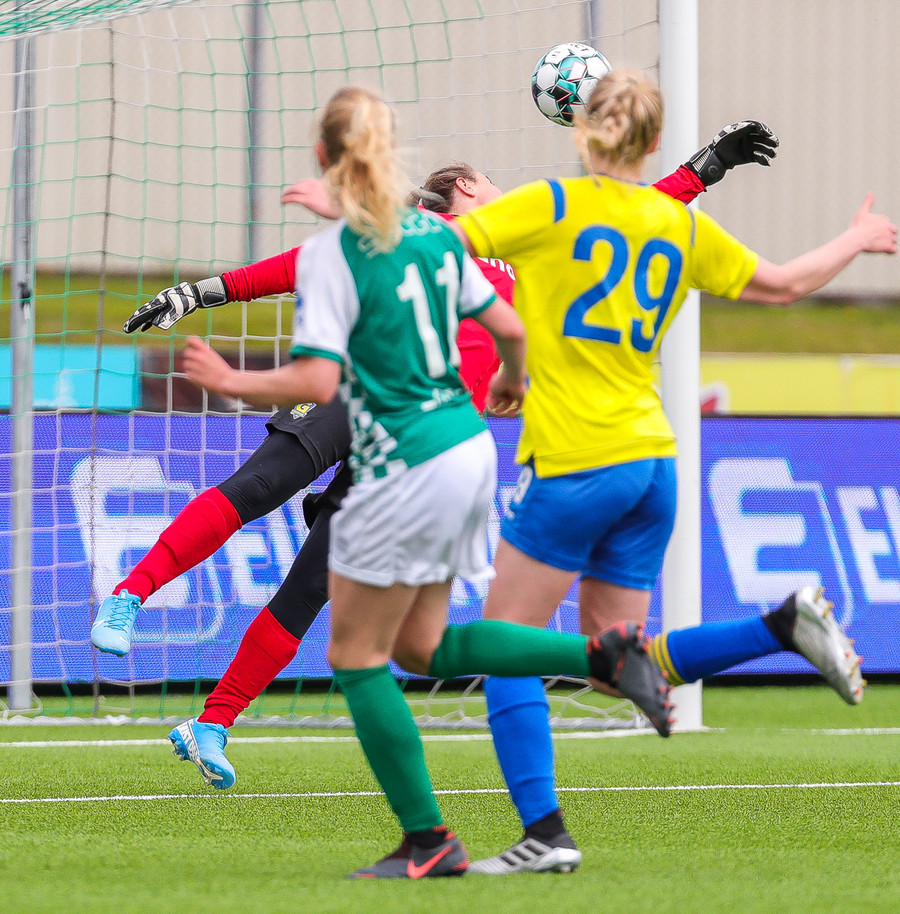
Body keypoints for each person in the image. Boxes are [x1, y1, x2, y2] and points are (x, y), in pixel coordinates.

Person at [91, 121, 774, 788]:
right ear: (464, 187)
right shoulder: (427, 233)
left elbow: (628, 216)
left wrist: (706, 168)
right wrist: (200, 293)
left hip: (425, 446)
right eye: (490, 182)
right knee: (260, 486)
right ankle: (130, 595)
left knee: (311, 587)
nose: (504, 191)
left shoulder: (528, 249)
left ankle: (214, 721)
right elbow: (304, 265)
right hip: (364, 390)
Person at [179, 84, 674, 879]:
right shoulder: (446, 241)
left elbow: (318, 374)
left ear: (324, 158)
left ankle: (428, 837)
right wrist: (513, 376)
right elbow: (513, 322)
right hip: (462, 449)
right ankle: (604, 657)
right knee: (423, 644)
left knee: (353, 647)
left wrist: (232, 379)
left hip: (402, 450)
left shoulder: (375, 246)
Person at [448, 68, 894, 875]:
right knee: (615, 665)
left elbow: (438, 251)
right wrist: (857, 238)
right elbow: (785, 285)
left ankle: (545, 834)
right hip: (652, 464)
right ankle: (780, 626)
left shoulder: (549, 206)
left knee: (506, 645)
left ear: (581, 130)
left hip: (577, 459)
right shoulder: (676, 222)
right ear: (655, 143)